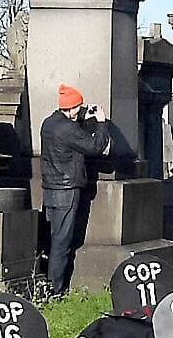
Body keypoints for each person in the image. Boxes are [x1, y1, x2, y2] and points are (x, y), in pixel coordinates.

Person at [39, 84, 122, 295]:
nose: (81, 109)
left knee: (52, 238)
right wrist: (101, 123)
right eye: (79, 106)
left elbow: (71, 129)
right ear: (71, 107)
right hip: (67, 190)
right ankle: (55, 291)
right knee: (62, 242)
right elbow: (94, 147)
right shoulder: (68, 129)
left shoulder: (48, 124)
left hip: (50, 188)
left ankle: (45, 283)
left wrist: (84, 115)